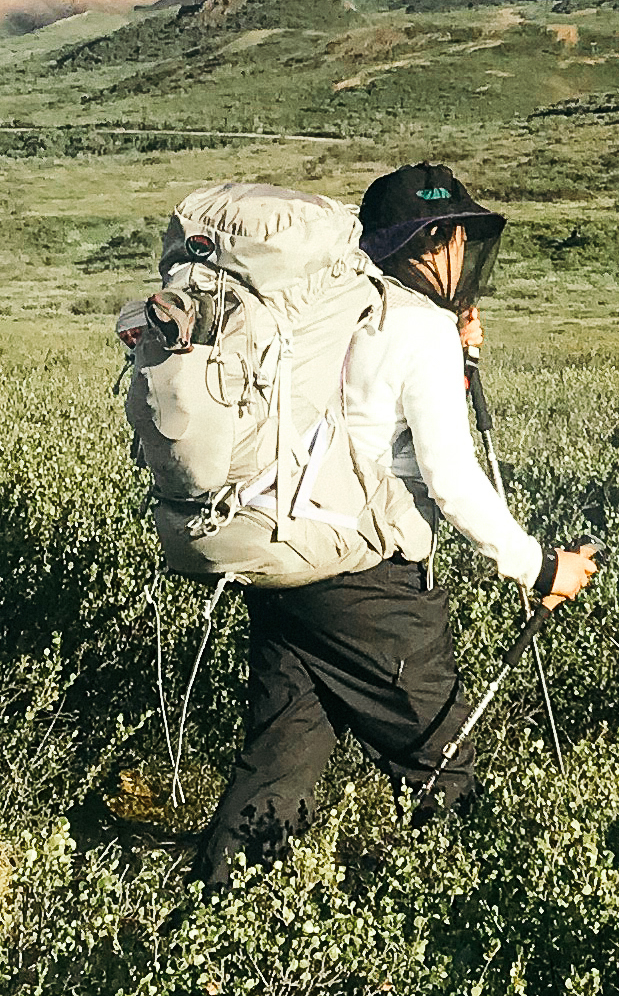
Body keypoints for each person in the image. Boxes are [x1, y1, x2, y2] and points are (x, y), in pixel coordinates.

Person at [199, 159, 598, 891]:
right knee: (441, 758)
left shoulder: (342, 307)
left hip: (286, 558)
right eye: (458, 239)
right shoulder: (419, 329)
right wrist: (540, 567)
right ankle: (470, 922)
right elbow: (449, 479)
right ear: (436, 240)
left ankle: (218, 931)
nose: (464, 257)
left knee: (279, 762)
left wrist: (457, 354)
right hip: (368, 582)